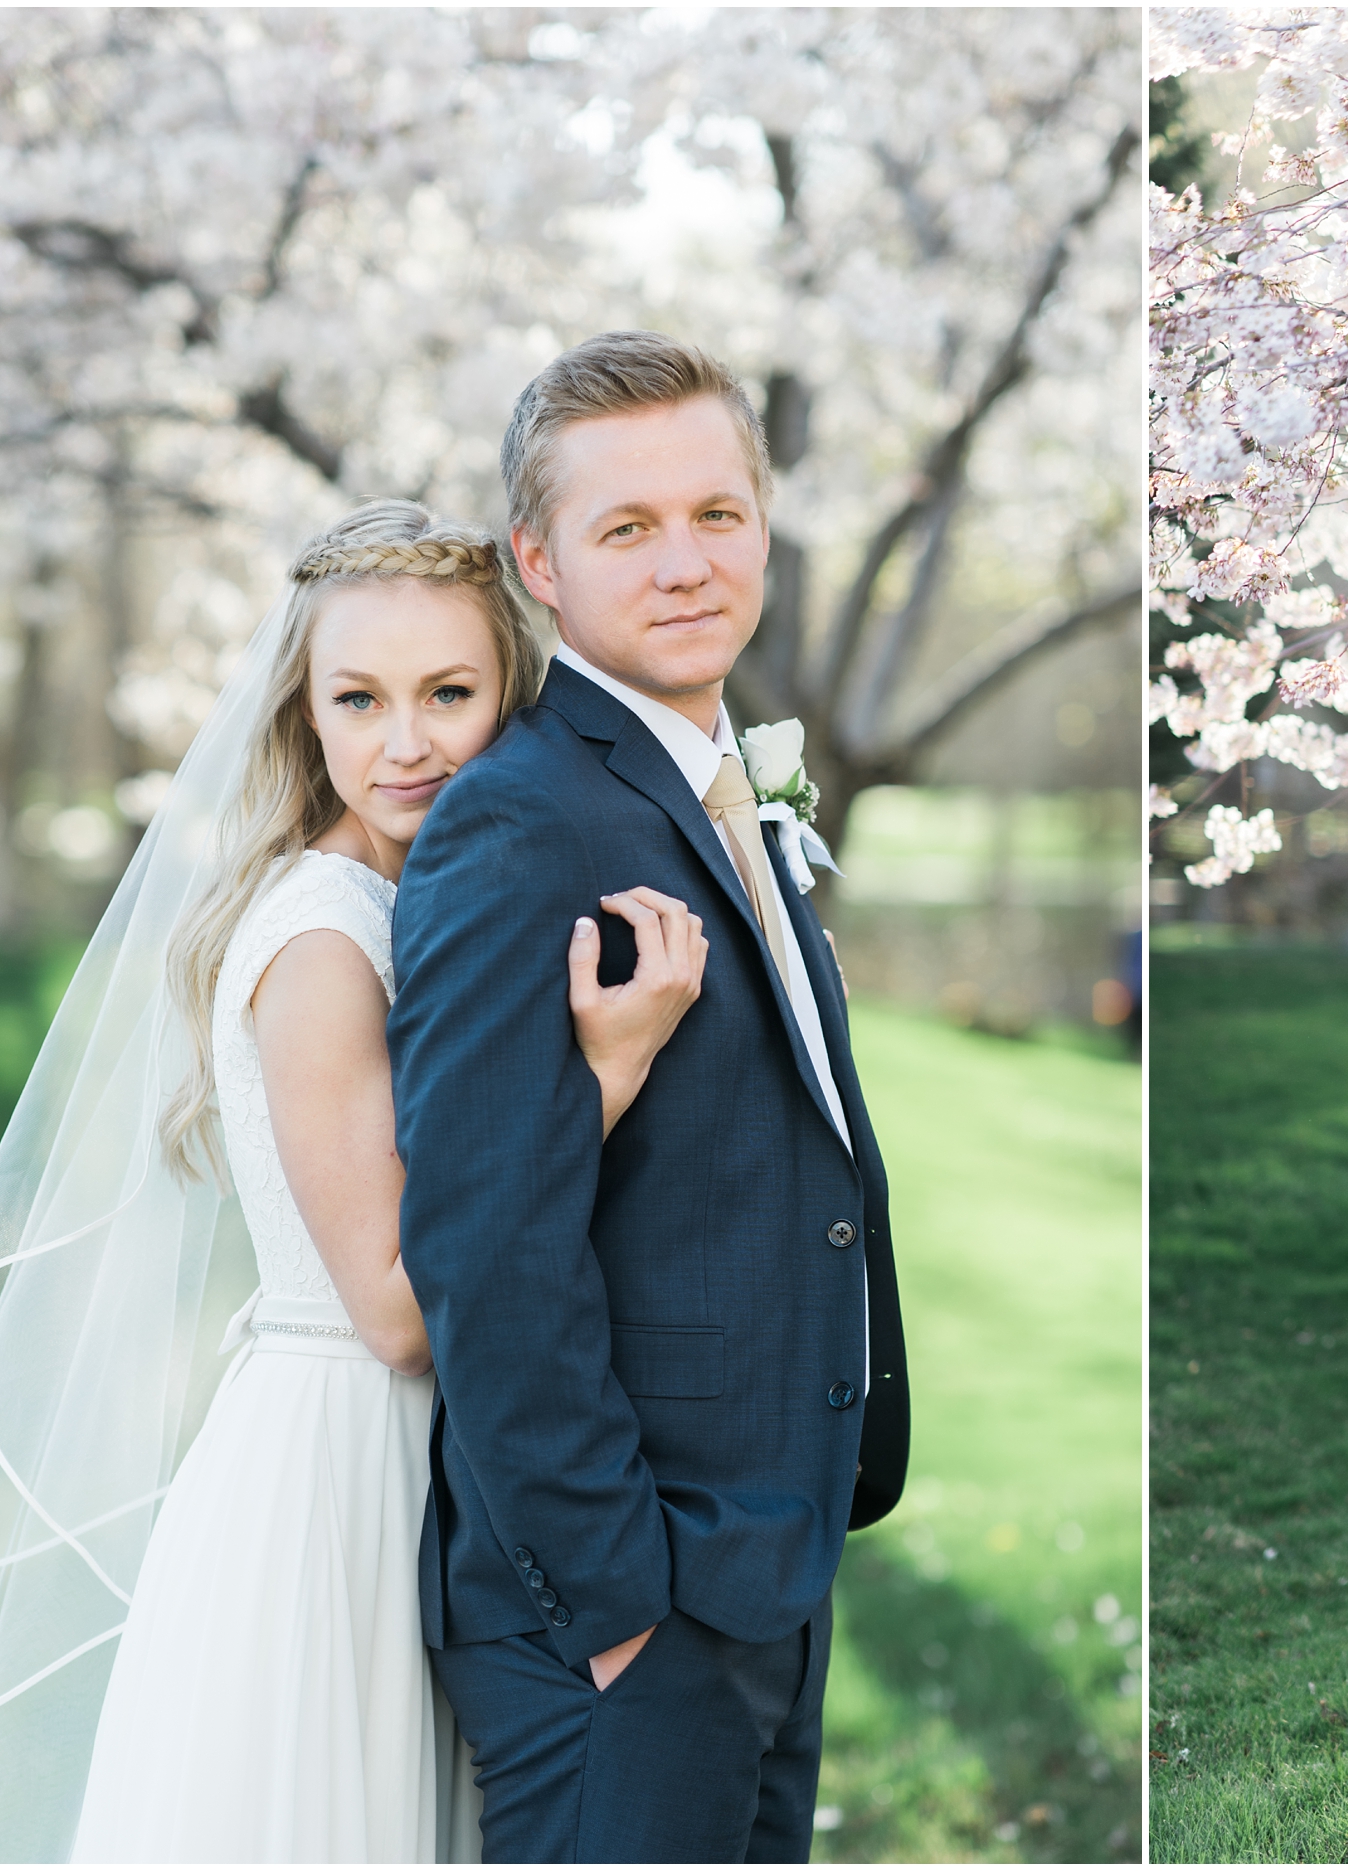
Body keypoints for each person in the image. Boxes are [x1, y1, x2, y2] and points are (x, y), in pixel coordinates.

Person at [0, 500, 709, 1863]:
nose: (407, 741)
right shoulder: (324, 938)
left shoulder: (430, 902)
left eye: (449, 692)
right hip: (342, 1454)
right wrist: (608, 1078)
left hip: (434, 1452)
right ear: (307, 712)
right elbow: (394, 1304)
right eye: (361, 697)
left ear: (509, 693)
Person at [390, 330, 909, 1864]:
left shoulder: (715, 778)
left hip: (769, 1557)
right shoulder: (518, 822)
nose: (687, 563)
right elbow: (485, 1242)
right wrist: (619, 1605)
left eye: (717, 515)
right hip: (627, 1609)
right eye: (628, 528)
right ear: (537, 563)